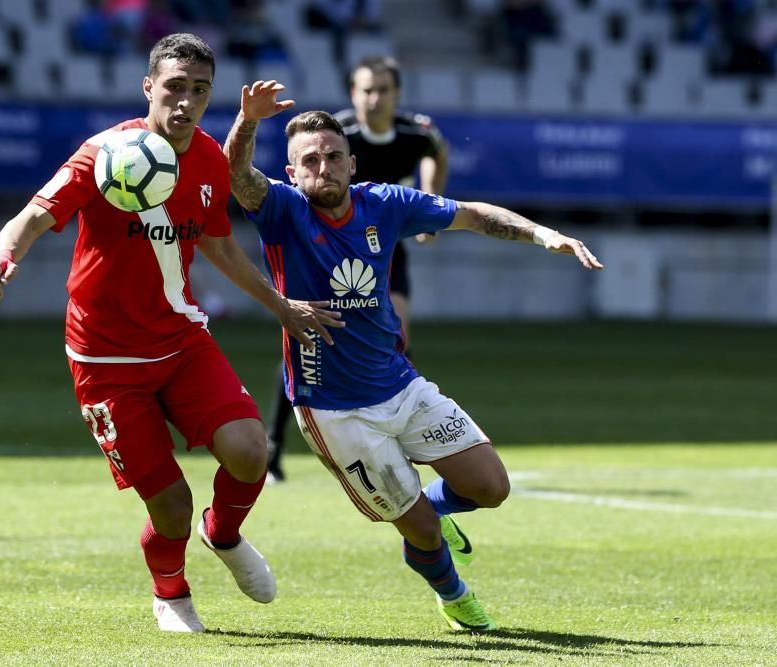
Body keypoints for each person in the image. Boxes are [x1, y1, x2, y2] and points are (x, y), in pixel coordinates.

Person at [0, 35, 341, 634]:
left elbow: (219, 243)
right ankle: (170, 592)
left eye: (200, 91)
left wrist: (279, 305)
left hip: (180, 339)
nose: (186, 101)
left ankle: (223, 534)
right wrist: (0, 263)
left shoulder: (209, 164)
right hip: (104, 359)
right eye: (175, 87)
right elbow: (33, 216)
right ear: (148, 88)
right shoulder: (104, 154)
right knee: (170, 508)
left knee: (250, 451)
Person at [224, 82, 603, 632]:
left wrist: (546, 236)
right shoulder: (281, 210)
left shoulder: (386, 203)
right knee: (422, 533)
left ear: (352, 163)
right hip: (334, 410)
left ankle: (427, 510)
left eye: (333, 156)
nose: (324, 167)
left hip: (400, 384)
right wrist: (248, 121)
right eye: (310, 160)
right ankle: (455, 595)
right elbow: (239, 176)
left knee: (491, 488)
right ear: (292, 173)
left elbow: (470, 214)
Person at [264, 55, 448, 483]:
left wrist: (432, 198)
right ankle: (273, 446)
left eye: (383, 89)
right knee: (306, 338)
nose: (374, 98)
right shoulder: (337, 134)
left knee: (397, 333)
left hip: (382, 251)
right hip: (322, 249)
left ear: (396, 94)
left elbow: (438, 150)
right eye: (366, 89)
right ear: (353, 94)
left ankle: (404, 437)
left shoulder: (414, 132)